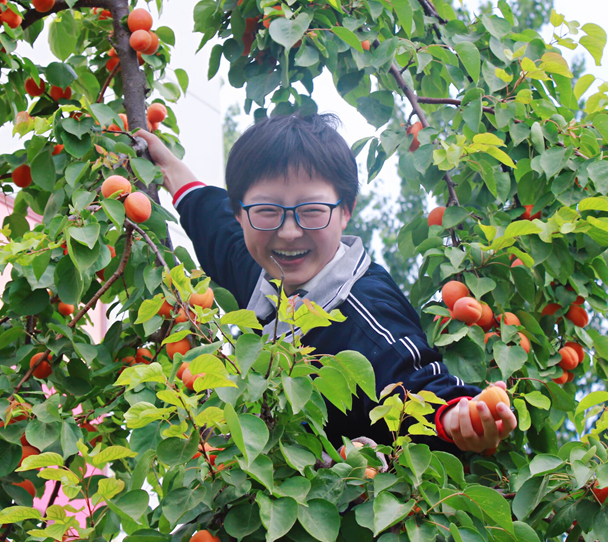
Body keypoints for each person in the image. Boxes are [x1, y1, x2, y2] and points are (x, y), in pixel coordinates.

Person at [135, 113, 516, 454]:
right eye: (266, 210)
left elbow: (414, 378)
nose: (288, 232)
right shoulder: (257, 269)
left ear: (346, 211)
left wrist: (456, 417)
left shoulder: (364, 307)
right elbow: (210, 219)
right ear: (241, 214)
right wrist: (167, 167)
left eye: (311, 211)